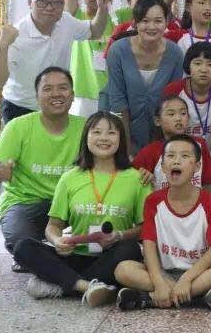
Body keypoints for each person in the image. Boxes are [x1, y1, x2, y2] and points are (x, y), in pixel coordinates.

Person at [12, 112, 149, 305]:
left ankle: (61, 285)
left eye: (111, 133)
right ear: (86, 137)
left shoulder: (137, 178)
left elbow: (145, 228)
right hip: (75, 255)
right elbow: (53, 225)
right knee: (23, 247)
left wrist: (119, 236)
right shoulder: (70, 178)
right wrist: (57, 240)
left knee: (130, 249)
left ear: (121, 139)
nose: (103, 138)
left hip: (111, 256)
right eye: (96, 132)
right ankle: (86, 287)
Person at [115, 136, 211, 311]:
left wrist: (187, 279)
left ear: (197, 166)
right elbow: (148, 245)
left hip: (197, 273)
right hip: (164, 272)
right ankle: (193, 297)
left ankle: (150, 298)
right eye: (170, 156)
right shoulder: (153, 201)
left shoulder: (209, 201)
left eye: (185, 156)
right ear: (162, 166)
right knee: (123, 270)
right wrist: (159, 282)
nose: (176, 161)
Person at [0, 67, 85, 268]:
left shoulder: (86, 128)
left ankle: (37, 259)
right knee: (21, 242)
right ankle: (39, 255)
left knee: (100, 235)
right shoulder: (19, 126)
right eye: (48, 89)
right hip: (24, 202)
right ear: (37, 97)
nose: (56, 94)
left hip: (69, 204)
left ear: (72, 95)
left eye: (63, 88)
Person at [0, 0, 111, 123]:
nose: (49, 8)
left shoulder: (66, 21)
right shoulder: (17, 35)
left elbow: (95, 31)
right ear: (30, 3)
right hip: (20, 106)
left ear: (63, 4)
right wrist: (2, 46)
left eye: (56, 2)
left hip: (56, 105)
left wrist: (102, 8)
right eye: (42, 1)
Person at [103, 0, 184, 151]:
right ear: (135, 22)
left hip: (162, 134)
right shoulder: (118, 51)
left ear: (166, 22)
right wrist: (126, 147)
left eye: (158, 21)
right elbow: (118, 101)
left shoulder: (175, 53)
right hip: (122, 130)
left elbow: (172, 100)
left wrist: (164, 146)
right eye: (145, 21)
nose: (152, 27)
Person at [160, 42, 211, 181]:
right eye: (197, 63)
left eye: (210, 64)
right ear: (188, 66)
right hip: (177, 161)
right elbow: (166, 133)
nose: (203, 70)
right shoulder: (173, 90)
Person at [133, 99, 211, 195]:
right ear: (157, 121)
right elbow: (132, 178)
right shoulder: (150, 151)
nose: (178, 118)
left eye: (183, 113)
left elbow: (208, 183)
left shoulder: (199, 144)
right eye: (171, 114)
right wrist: (143, 175)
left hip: (196, 203)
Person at [64, 0, 115, 116]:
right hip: (81, 93)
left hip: (110, 93)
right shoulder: (76, 17)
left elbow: (142, 4)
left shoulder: (116, 19)